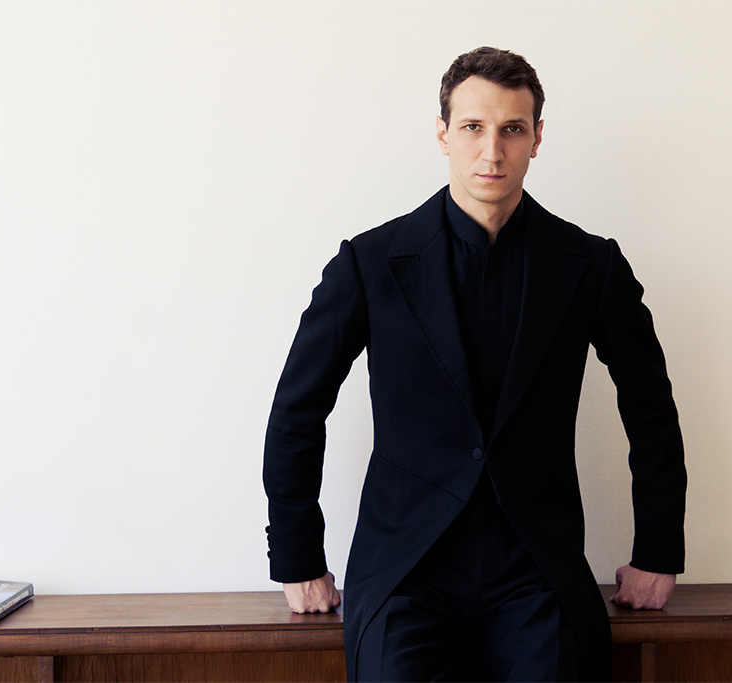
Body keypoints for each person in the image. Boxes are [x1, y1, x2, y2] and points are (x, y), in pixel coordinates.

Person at [263, 46, 686, 682]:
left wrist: (657, 550)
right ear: (442, 134)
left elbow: (650, 408)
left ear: (537, 138)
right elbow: (297, 410)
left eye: (512, 129)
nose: (492, 151)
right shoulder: (368, 264)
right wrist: (297, 556)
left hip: (536, 571)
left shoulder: (590, 266)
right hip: (406, 570)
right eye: (472, 127)